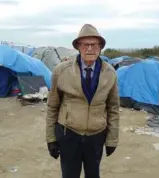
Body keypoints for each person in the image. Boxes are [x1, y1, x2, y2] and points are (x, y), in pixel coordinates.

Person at [46, 24, 120, 178]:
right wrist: (51, 138)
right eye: (85, 44)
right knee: (69, 175)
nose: (90, 48)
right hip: (69, 133)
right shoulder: (61, 71)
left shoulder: (110, 72)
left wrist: (112, 139)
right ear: (78, 47)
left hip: (96, 135)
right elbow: (53, 106)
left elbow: (113, 108)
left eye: (94, 44)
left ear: (100, 47)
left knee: (93, 175)